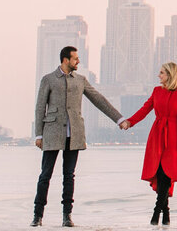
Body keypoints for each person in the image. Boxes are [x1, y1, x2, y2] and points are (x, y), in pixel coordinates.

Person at [31, 46, 125, 227]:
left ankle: (67, 216)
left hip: (74, 133)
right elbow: (39, 107)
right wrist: (39, 134)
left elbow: (99, 100)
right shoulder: (48, 79)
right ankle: (38, 215)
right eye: (75, 58)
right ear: (65, 60)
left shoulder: (80, 80)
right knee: (45, 175)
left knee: (69, 176)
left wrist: (119, 119)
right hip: (52, 132)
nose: (78, 62)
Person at [121, 61, 177, 226]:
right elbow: (145, 109)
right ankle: (166, 214)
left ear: (169, 75)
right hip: (157, 135)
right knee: (159, 174)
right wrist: (129, 122)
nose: (159, 76)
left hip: (173, 137)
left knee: (167, 174)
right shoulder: (157, 91)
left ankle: (156, 214)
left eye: (162, 73)